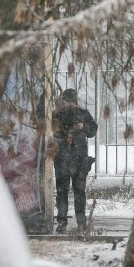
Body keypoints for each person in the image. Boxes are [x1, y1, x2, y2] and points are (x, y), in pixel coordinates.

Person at [52, 88, 98, 234]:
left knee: (79, 192)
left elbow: (92, 130)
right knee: (62, 192)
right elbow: (52, 131)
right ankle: (62, 222)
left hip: (78, 160)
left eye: (72, 102)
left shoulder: (83, 114)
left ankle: (81, 222)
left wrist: (83, 127)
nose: (70, 105)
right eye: (68, 102)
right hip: (63, 159)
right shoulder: (58, 115)